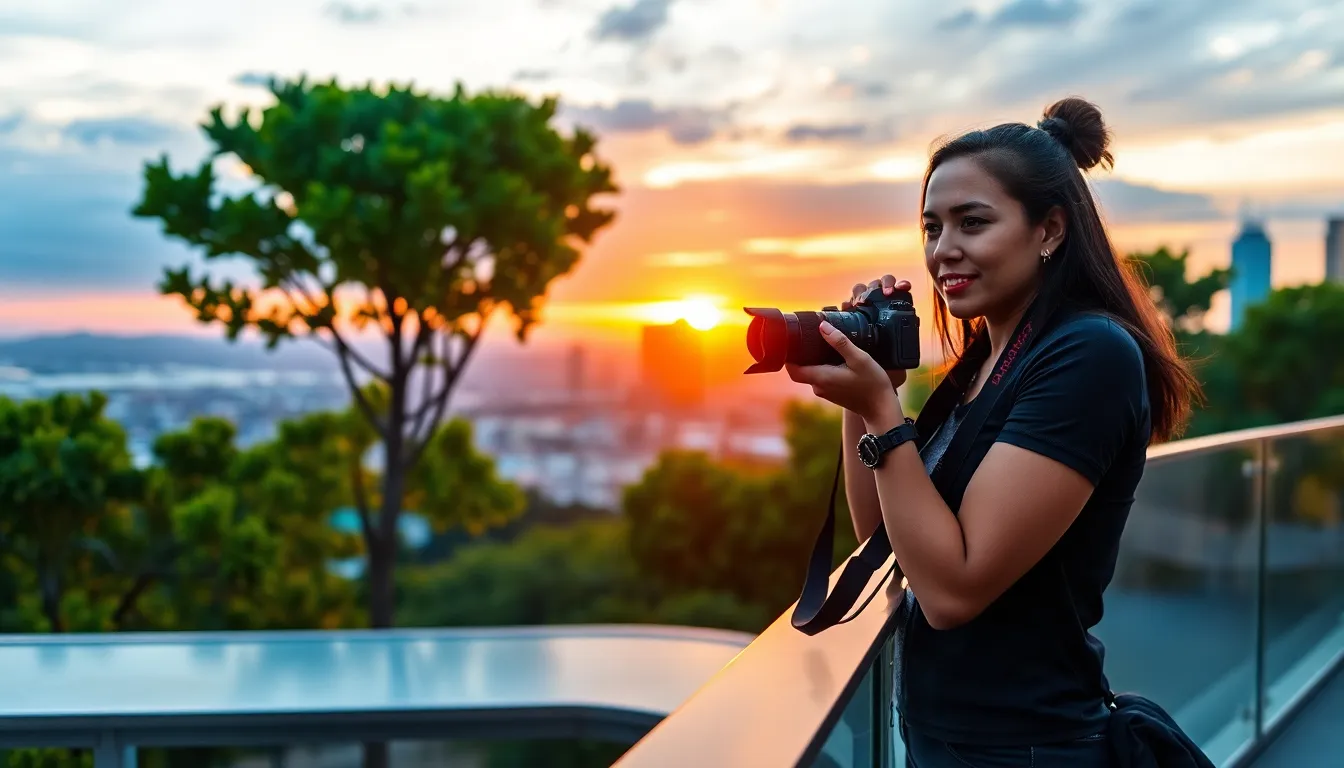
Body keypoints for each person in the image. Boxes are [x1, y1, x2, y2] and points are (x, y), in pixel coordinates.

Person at [786, 97, 1206, 767]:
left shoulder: (1088, 355)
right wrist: (866, 394)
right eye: (931, 227)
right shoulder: (981, 365)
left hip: (1027, 747)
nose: (943, 249)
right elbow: (889, 538)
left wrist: (886, 417)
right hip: (949, 738)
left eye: (972, 223)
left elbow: (952, 591)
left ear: (1049, 231)